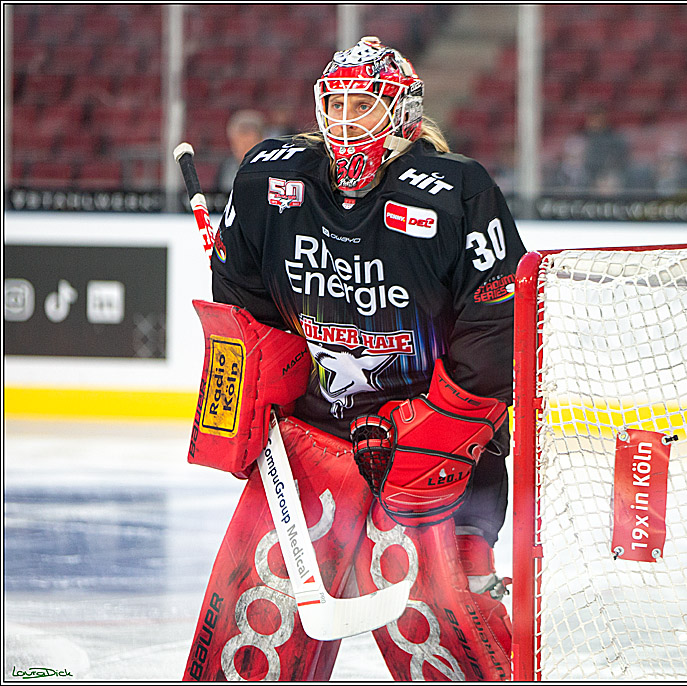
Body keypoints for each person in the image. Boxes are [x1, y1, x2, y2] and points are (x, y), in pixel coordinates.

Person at [183, 36, 526, 681]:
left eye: (361, 106)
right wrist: (242, 406)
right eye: (334, 104)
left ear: (403, 114)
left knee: (443, 625)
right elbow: (246, 315)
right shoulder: (270, 180)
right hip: (315, 440)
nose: (344, 123)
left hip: (430, 441)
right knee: (251, 622)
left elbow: (495, 320)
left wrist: (439, 431)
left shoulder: (457, 192)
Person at [216, 109, 265, 193]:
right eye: (237, 144)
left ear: (261, 141)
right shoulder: (226, 168)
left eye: (249, 144)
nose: (244, 150)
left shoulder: (272, 168)